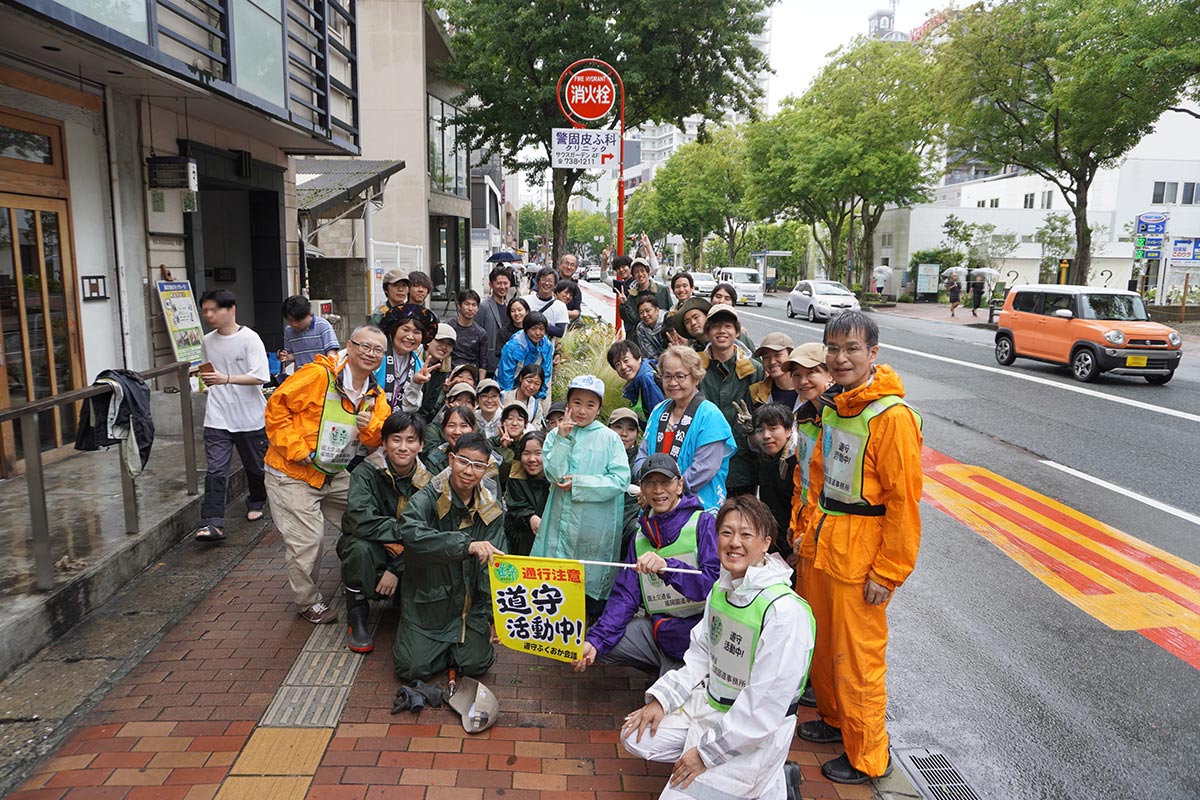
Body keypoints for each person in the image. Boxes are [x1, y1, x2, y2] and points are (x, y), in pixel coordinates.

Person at [795, 312, 922, 785]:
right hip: (825, 546)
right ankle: (833, 720)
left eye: (851, 349)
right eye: (833, 348)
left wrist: (887, 572)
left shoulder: (892, 418)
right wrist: (805, 530)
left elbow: (904, 503)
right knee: (825, 649)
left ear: (873, 354)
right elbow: (818, 479)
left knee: (859, 660)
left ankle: (869, 756)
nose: (840, 357)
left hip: (861, 557)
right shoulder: (834, 407)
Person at [621, 495, 813, 800]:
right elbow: (699, 655)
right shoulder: (722, 589)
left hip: (755, 731)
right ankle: (773, 783)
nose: (734, 542)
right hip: (712, 706)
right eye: (726, 533)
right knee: (636, 735)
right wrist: (662, 700)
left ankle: (773, 779)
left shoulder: (785, 613)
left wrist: (705, 754)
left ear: (765, 543)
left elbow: (763, 709)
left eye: (746, 534)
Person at [264, 324, 391, 624]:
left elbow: (376, 439)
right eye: (364, 346)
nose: (370, 354)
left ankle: (367, 569)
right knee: (308, 540)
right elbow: (276, 408)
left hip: (333, 473)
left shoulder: (375, 394)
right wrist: (298, 450)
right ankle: (307, 602)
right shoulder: (319, 375)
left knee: (369, 511)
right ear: (349, 345)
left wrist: (367, 426)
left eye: (378, 350)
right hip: (292, 473)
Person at [573, 453, 719, 678]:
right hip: (660, 631)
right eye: (650, 483)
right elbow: (625, 596)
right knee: (597, 646)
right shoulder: (640, 536)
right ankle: (660, 667)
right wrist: (595, 642)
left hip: (699, 636)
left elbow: (715, 586)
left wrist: (667, 568)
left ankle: (675, 675)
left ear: (680, 485)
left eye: (666, 482)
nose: (658, 490)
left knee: (661, 707)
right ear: (642, 489)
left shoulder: (704, 524)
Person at [392, 432, 506, 682]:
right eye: (464, 461)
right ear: (451, 459)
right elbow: (410, 534)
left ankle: (453, 651)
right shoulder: (427, 497)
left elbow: (494, 565)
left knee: (478, 665)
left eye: (478, 465)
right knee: (410, 669)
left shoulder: (491, 508)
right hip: (428, 603)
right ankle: (438, 648)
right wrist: (466, 545)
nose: (469, 471)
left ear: (486, 469)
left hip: (468, 608)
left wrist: (493, 614)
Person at [531, 375, 631, 618]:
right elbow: (553, 473)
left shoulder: (609, 438)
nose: (582, 411)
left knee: (589, 585)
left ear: (599, 408)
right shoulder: (556, 435)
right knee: (557, 585)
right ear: (567, 403)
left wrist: (581, 484)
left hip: (594, 528)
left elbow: (620, 480)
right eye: (577, 403)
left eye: (590, 404)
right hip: (560, 522)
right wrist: (563, 440)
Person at [337, 411, 432, 653]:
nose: (403, 447)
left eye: (411, 440)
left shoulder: (429, 480)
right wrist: (402, 533)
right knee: (357, 548)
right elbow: (359, 520)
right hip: (374, 545)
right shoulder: (366, 472)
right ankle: (357, 614)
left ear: (421, 445)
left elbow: (429, 531)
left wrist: (396, 568)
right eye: (396, 439)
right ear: (384, 442)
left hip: (409, 551)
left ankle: (404, 594)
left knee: (432, 549)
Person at [195, 289, 270, 542]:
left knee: (256, 467)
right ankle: (212, 523)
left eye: (214, 309)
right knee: (215, 470)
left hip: (250, 417)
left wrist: (225, 378)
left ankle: (257, 500)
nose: (208, 315)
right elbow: (209, 374)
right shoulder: (207, 341)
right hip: (217, 416)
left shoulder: (250, 339)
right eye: (205, 310)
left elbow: (260, 376)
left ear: (231, 309)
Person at [635, 345, 735, 511]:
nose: (673, 383)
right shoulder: (658, 411)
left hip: (697, 508)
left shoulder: (710, 415)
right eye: (667, 376)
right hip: (657, 502)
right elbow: (642, 456)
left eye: (680, 376)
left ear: (696, 377)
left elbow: (704, 468)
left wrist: (666, 492)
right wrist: (648, 488)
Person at [697, 305, 764, 497]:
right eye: (716, 326)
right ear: (708, 332)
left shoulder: (753, 369)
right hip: (703, 460)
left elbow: (761, 412)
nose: (722, 331)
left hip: (743, 465)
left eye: (728, 326)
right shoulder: (696, 368)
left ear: (736, 331)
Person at [749, 403, 796, 561]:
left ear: (788, 430)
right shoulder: (765, 459)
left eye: (773, 428)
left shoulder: (797, 461)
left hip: (795, 542)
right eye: (760, 430)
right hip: (775, 542)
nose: (766, 435)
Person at [375, 304, 438, 412]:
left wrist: (416, 384)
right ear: (393, 331)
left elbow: (410, 408)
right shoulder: (376, 353)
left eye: (416, 332)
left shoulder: (419, 365)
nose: (410, 336)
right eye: (405, 330)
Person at [503, 430, 549, 556]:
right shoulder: (516, 477)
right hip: (522, 546)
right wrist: (529, 517)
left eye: (538, 453)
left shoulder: (557, 479)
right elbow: (515, 509)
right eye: (526, 453)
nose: (532, 459)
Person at [608, 406, 643, 556]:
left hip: (629, 526)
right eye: (618, 427)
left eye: (630, 429)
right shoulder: (598, 455)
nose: (624, 434)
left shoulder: (641, 461)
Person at [497, 312, 553, 399]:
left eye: (541, 329)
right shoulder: (513, 346)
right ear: (526, 329)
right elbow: (506, 374)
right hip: (511, 385)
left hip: (532, 386)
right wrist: (509, 395)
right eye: (534, 329)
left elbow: (546, 371)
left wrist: (539, 391)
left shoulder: (547, 345)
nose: (538, 333)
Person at [607, 340, 665, 420]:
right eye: (618, 364)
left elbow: (660, 415)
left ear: (638, 358)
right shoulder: (637, 381)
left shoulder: (646, 378)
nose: (623, 366)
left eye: (626, 360)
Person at [280, 295, 339, 371]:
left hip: (322, 376)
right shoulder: (289, 331)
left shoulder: (322, 325)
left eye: (298, 321)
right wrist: (285, 356)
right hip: (302, 377)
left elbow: (331, 353)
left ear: (309, 314)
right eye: (291, 320)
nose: (294, 324)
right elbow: (295, 355)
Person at [477, 266, 515, 376]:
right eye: (499, 283)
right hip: (489, 365)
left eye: (505, 283)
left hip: (508, 364)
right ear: (491, 284)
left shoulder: (510, 307)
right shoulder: (484, 307)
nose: (502, 287)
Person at [620, 258, 672, 332]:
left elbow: (670, 312)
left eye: (642, 271)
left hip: (663, 333)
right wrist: (624, 304)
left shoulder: (662, 290)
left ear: (648, 272)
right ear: (633, 275)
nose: (640, 274)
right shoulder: (632, 295)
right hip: (641, 335)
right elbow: (631, 319)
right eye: (636, 272)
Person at [749, 333, 798, 410]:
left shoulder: (809, 390)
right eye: (766, 357)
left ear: (791, 355)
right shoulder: (757, 393)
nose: (772, 362)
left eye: (777, 355)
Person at [489, 400, 530, 488]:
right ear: (503, 421)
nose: (514, 423)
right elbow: (499, 478)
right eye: (510, 418)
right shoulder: (491, 444)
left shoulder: (528, 446)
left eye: (520, 419)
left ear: (525, 423)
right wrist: (504, 448)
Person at [449, 289, 488, 374]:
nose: (470, 308)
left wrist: (480, 385)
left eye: (474, 305)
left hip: (471, 377)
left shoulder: (481, 333)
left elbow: (483, 362)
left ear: (477, 308)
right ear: (459, 305)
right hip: (450, 375)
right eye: (467, 304)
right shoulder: (449, 327)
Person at [524, 267, 569, 338]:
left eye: (550, 281)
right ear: (538, 282)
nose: (546, 283)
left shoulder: (561, 306)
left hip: (548, 347)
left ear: (555, 285)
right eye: (543, 280)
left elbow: (560, 332)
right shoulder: (525, 301)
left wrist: (536, 324)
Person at [710, 284, 756, 350]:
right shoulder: (702, 326)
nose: (721, 301)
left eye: (727, 298)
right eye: (718, 296)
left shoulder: (742, 332)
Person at [501, 363, 547, 430]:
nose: (531, 387)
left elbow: (535, 432)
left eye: (537, 384)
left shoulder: (536, 407)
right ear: (521, 378)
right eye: (529, 381)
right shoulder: (503, 397)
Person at [636, 294, 669, 360]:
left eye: (648, 311)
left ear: (657, 310)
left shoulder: (668, 321)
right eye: (641, 312)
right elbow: (649, 352)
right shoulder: (641, 328)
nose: (645, 315)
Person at [558, 253, 583, 322]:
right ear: (560, 265)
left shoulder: (576, 289)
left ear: (576, 269)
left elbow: (577, 311)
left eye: (572, 265)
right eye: (566, 263)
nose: (568, 267)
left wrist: (561, 313)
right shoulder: (551, 281)